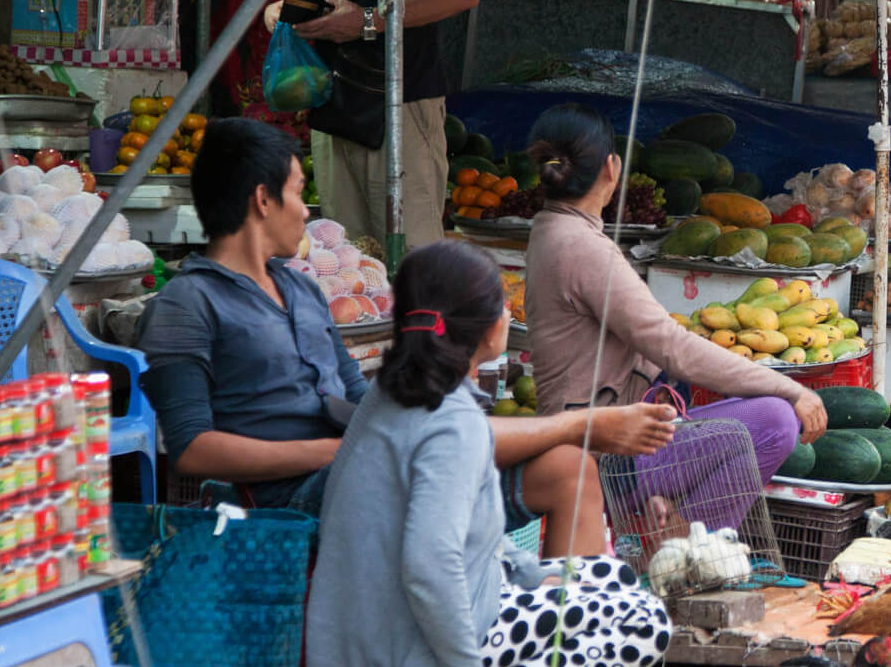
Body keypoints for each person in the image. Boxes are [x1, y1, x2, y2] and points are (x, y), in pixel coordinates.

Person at [137, 118, 677, 556]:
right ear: (262, 200)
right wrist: (331, 451)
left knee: (568, 467)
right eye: (299, 192)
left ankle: (569, 662)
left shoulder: (300, 291)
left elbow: (360, 398)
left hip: (359, 465)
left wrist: (410, 407)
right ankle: (581, 425)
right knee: (449, 438)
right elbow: (191, 450)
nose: (306, 210)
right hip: (286, 501)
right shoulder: (188, 302)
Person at [305, 241, 674, 667]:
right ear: (490, 330)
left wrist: (526, 573)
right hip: (406, 653)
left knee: (607, 578)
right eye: (502, 306)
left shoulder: (390, 391)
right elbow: (431, 568)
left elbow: (458, 539)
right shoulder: (453, 424)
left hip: (366, 635)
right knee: (644, 620)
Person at [523, 104, 826, 534]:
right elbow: (673, 346)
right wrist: (790, 387)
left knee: (747, 416)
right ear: (613, 168)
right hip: (605, 460)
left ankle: (670, 528)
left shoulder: (549, 229)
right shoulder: (580, 246)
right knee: (776, 420)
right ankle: (682, 548)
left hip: (599, 445)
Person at [264, 0, 479, 248]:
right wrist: (281, 15)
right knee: (344, 261)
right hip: (334, 108)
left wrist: (370, 21)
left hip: (401, 103)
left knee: (412, 259)